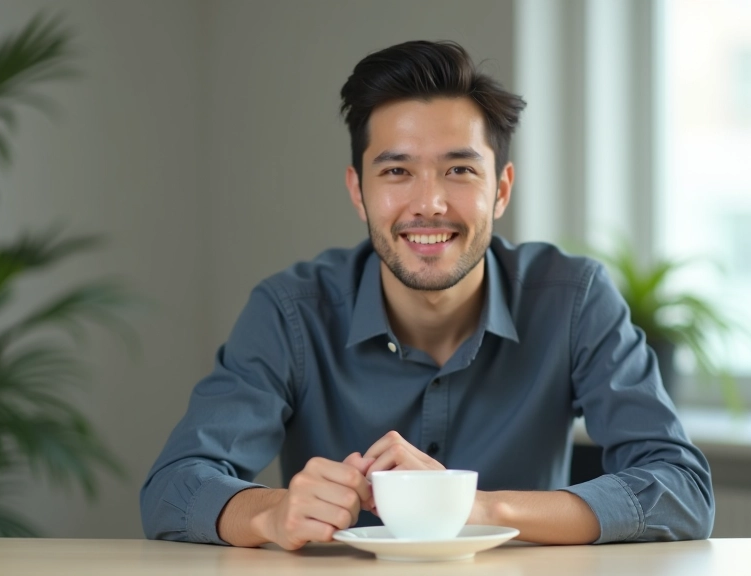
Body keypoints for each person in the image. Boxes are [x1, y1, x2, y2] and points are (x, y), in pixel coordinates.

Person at [140, 40, 714, 550]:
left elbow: (681, 489)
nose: (429, 204)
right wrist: (271, 513)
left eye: (459, 170)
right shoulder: (290, 312)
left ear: (501, 190)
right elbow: (173, 486)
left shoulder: (574, 299)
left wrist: (470, 506)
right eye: (396, 173)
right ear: (358, 192)